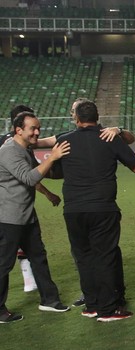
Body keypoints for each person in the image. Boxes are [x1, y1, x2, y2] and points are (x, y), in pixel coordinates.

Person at [54, 100, 135, 322]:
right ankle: (108, 310)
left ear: (77, 119)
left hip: (73, 209)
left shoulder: (64, 140)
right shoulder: (108, 138)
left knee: (84, 257)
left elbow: (54, 171)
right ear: (97, 118)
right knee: (106, 256)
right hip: (102, 207)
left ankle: (91, 305)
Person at [0, 111, 71, 324]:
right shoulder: (9, 151)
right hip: (8, 218)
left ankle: (49, 299)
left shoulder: (24, 148)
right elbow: (30, 178)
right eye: (33, 128)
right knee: (3, 264)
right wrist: (53, 157)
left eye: (38, 128)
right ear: (18, 130)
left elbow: (36, 175)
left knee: (38, 257)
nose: (37, 132)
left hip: (26, 215)